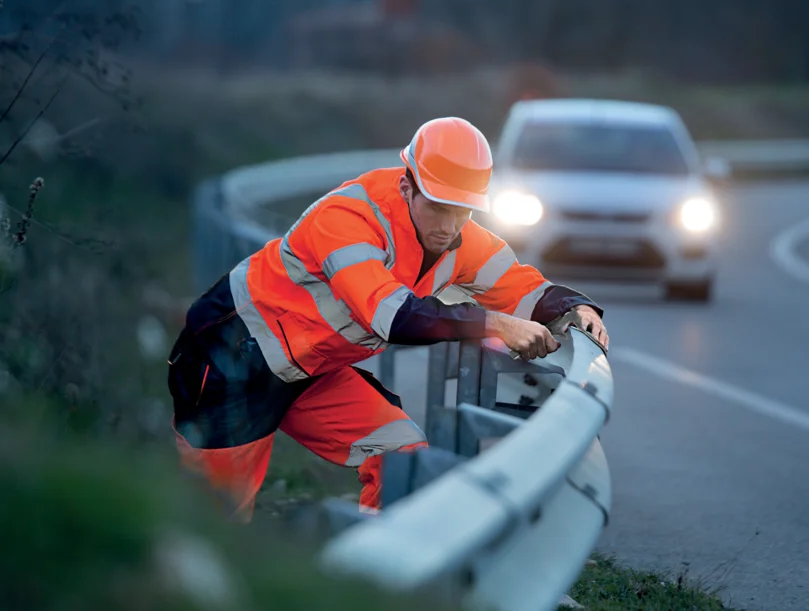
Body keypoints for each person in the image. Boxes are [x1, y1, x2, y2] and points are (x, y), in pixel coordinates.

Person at [166, 116, 610, 521]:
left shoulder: (461, 236)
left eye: (462, 210)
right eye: (437, 205)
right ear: (407, 187)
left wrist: (576, 308)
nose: (448, 226)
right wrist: (493, 325)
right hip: (233, 360)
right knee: (217, 519)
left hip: (312, 371)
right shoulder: (347, 218)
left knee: (404, 459)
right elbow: (391, 316)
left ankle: (377, 578)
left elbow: (521, 286)